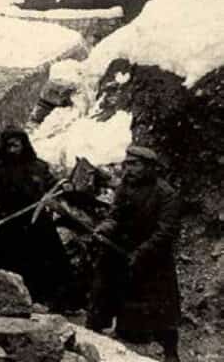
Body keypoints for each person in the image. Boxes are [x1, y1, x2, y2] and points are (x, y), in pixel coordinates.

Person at [87, 145, 181, 362]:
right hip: (122, 252)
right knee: (105, 292)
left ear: (149, 167)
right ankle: (95, 339)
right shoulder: (125, 188)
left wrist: (141, 253)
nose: (128, 169)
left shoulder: (166, 194)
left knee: (163, 307)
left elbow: (165, 232)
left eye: (134, 165)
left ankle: (171, 353)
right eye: (127, 164)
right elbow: (115, 215)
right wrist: (106, 227)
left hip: (154, 258)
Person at [0, 127, 70, 307]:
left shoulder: (39, 167)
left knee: (49, 263)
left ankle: (50, 302)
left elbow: (54, 185)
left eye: (16, 145)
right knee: (7, 266)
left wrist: (65, 187)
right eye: (8, 146)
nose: (12, 150)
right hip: (9, 223)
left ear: (24, 145)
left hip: (37, 223)